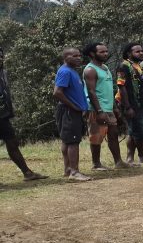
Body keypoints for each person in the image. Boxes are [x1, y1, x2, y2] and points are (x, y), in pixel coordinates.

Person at [0, 47, 47, 181]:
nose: (0, 59)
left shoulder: (3, 73)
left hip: (3, 116)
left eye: (1, 56)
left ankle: (27, 173)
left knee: (12, 142)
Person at [82, 42, 128, 171]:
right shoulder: (90, 70)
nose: (105, 54)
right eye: (102, 52)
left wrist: (115, 108)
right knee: (96, 136)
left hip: (108, 108)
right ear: (92, 54)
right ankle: (96, 164)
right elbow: (91, 92)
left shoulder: (105, 67)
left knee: (113, 134)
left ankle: (118, 161)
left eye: (106, 51)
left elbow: (108, 89)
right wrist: (99, 111)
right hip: (97, 108)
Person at [52, 47, 91, 181]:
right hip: (69, 111)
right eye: (74, 56)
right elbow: (57, 92)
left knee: (67, 140)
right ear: (66, 57)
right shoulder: (65, 71)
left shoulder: (72, 71)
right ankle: (74, 172)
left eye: (79, 55)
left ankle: (68, 169)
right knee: (73, 141)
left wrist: (82, 107)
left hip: (73, 111)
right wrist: (74, 107)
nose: (79, 58)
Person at [116, 43, 143, 166]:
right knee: (141, 131)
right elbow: (121, 86)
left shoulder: (137, 65)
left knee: (132, 131)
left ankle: (130, 158)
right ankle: (141, 155)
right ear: (129, 53)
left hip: (140, 103)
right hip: (131, 104)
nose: (141, 53)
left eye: (141, 51)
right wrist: (128, 107)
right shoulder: (124, 66)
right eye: (137, 51)